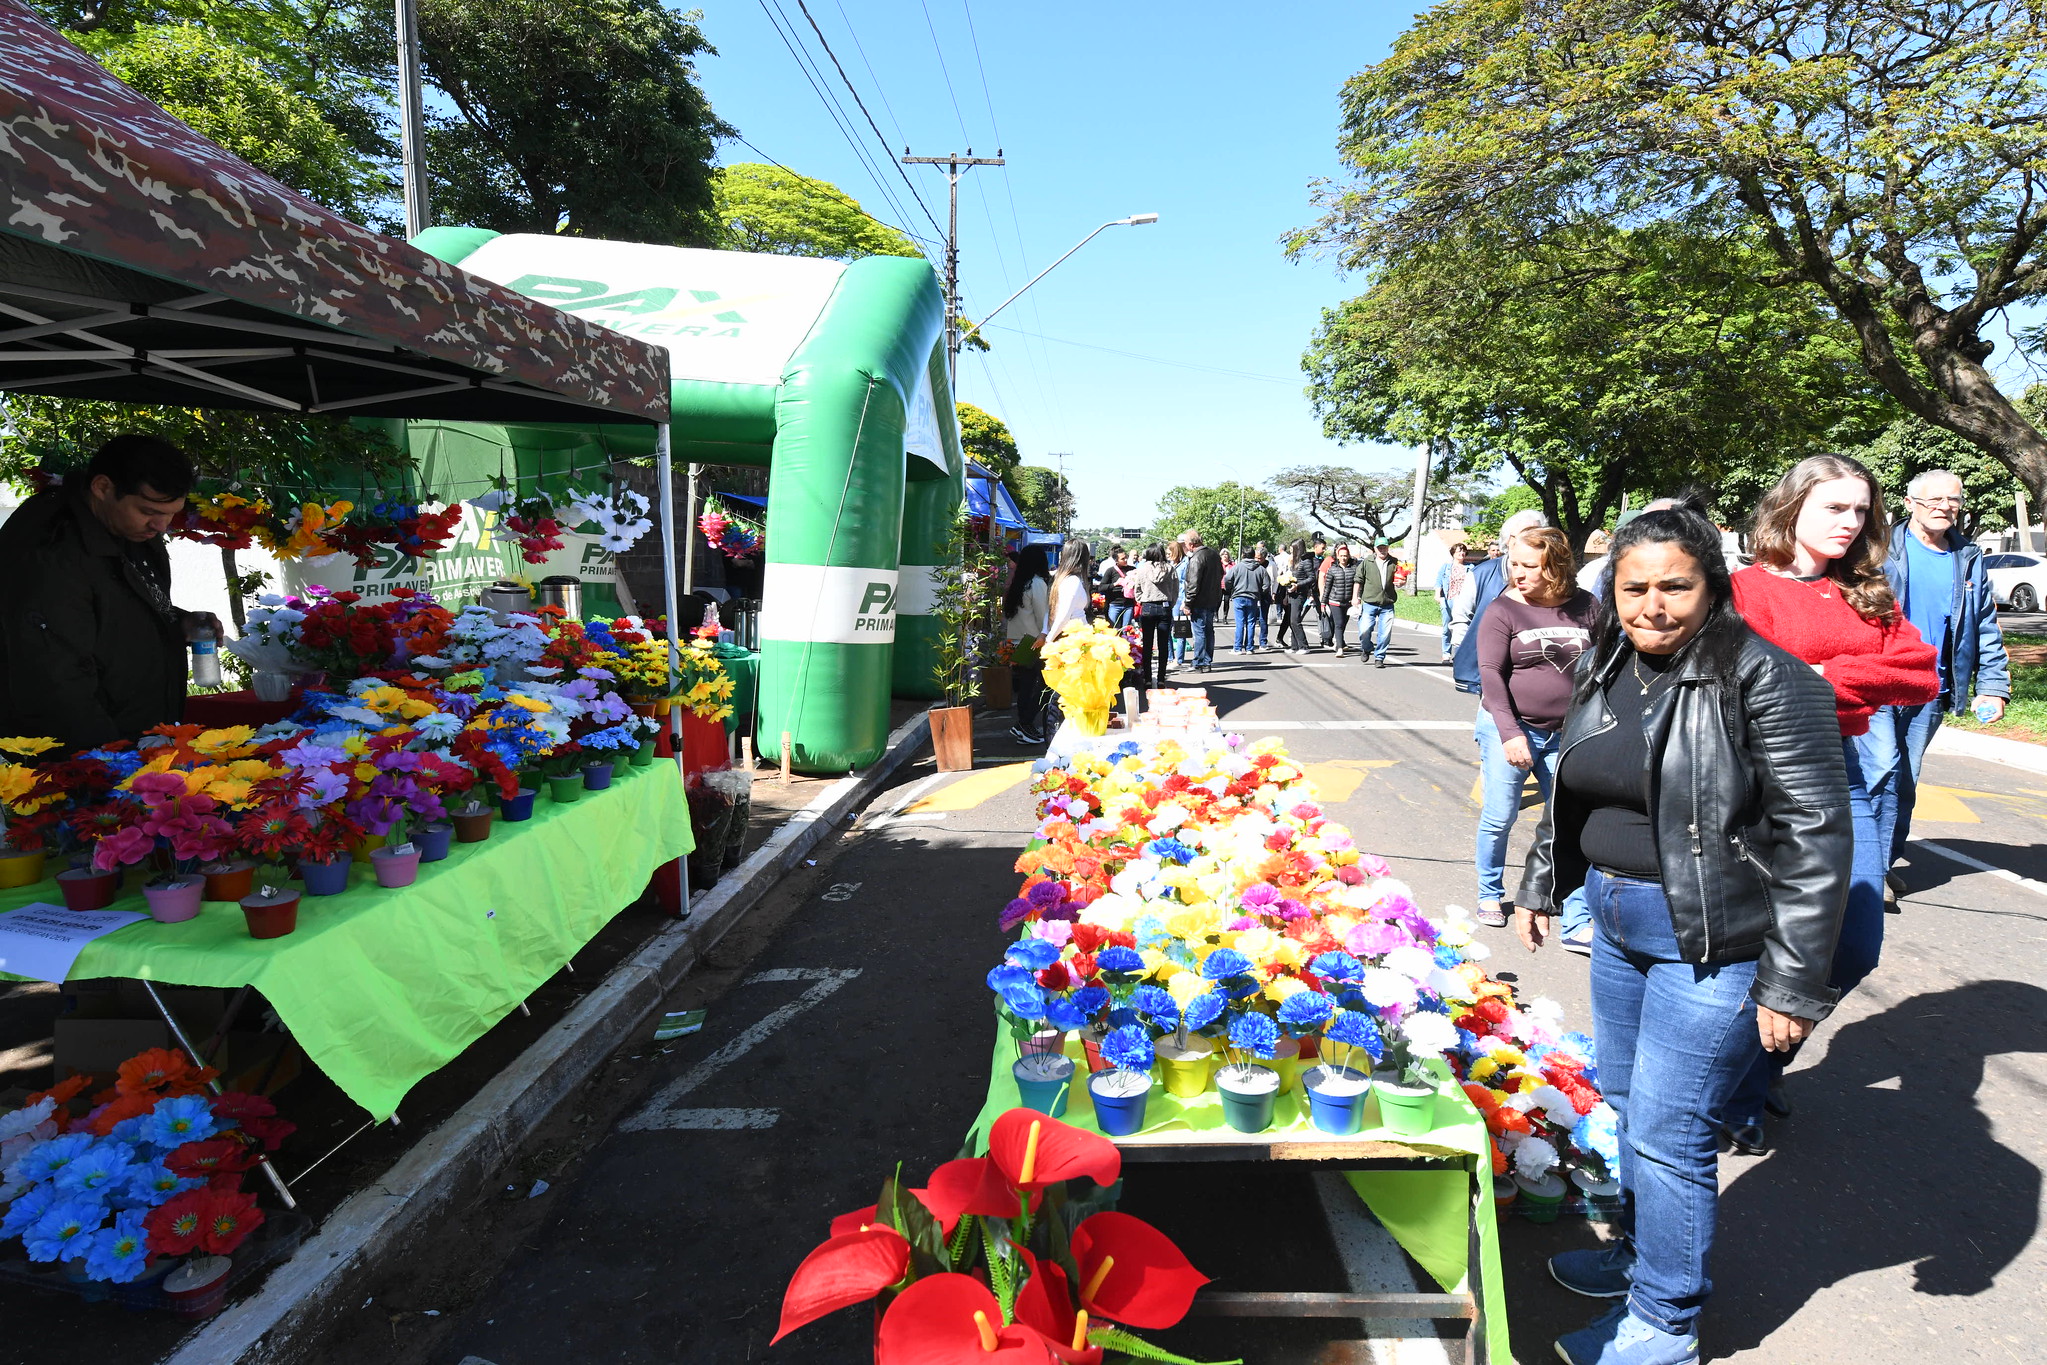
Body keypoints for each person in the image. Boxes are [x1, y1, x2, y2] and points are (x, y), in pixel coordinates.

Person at [1514, 502, 1851, 1365]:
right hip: (1617, 921)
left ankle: (1664, 1321)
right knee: (1625, 1103)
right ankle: (1638, 1253)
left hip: (1715, 938)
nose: (1652, 605)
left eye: (1674, 586)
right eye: (1634, 588)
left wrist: (1793, 982)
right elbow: (1574, 783)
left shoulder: (1768, 679)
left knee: (1669, 1128)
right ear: (1611, 590)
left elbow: (1816, 838)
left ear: (1711, 586)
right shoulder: (1607, 659)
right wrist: (1542, 879)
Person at [1723, 453, 1938, 1148]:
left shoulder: (1865, 590)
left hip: (1842, 773)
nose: (1850, 522)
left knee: (1853, 942)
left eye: (1859, 510)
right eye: (1834, 508)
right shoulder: (1742, 590)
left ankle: (1763, 1057)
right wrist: (1839, 678)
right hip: (1752, 779)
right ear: (1790, 509)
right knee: (1759, 940)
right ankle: (1737, 1089)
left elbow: (1916, 671)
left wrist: (1817, 674)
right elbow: (1736, 681)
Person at [0, 435, 221, 749]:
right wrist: (112, 763)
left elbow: (121, 607)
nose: (161, 526)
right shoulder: (50, 551)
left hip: (137, 735)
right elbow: (54, 680)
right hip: (86, 755)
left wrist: (176, 621)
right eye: (148, 511)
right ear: (102, 488)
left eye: (171, 513)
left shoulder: (123, 525)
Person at [1862, 469, 2009, 893]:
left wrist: (1993, 686)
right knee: (1880, 768)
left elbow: (1983, 625)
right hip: (1879, 681)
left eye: (1954, 500)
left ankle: (1881, 864)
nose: (1945, 507)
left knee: (1904, 780)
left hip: (1930, 688)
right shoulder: (1878, 549)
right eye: (1934, 500)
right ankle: (1864, 872)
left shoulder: (1967, 557)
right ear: (1909, 505)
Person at [1474, 528, 1599, 936]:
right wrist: (1511, 734)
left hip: (1571, 732)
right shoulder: (1503, 609)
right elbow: (1491, 675)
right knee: (1500, 816)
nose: (1518, 573)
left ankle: (1575, 914)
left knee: (1569, 821)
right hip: (1509, 726)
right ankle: (1489, 892)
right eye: (1514, 564)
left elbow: (1604, 662)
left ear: (1556, 567)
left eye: (1530, 566)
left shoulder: (1586, 606)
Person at [1453, 508, 1550, 693]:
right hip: (1490, 674)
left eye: (1537, 535)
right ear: (1508, 540)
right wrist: (1466, 653)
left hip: (1535, 675)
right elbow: (1461, 617)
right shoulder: (1482, 574)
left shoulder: (1552, 578)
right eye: (1524, 535)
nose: (1531, 541)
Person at [1001, 545, 1053, 745]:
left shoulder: (1020, 583)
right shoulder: (1037, 583)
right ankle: (1024, 723)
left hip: (1018, 642)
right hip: (1034, 641)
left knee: (1026, 686)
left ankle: (1024, 724)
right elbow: (1043, 617)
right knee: (1045, 686)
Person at [1125, 544, 1176, 691]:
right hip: (1164, 607)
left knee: (1147, 645)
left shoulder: (1142, 569)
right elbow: (1175, 589)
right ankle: (1161, 679)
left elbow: (1137, 589)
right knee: (1163, 645)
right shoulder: (1170, 569)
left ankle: (1147, 679)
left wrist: (1142, 600)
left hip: (1147, 607)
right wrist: (1170, 603)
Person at [1180, 530, 1224, 672]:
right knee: (1209, 631)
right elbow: (1220, 575)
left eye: (1186, 544)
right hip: (1213, 599)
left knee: (1199, 632)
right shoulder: (1213, 554)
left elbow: (1193, 583)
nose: (1186, 547)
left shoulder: (1197, 558)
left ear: (1191, 544)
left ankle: (1198, 662)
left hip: (1199, 601)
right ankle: (1206, 661)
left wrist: (1188, 603)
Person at [1357, 537, 1400, 667]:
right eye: (1379, 547)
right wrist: (1355, 597)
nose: (1382, 550)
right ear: (1375, 549)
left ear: (1388, 548)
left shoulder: (1394, 562)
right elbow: (1358, 580)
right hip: (1369, 603)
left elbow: (1401, 578)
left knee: (1385, 633)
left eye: (1384, 547)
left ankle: (1379, 657)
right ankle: (1366, 647)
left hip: (1387, 604)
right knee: (1364, 630)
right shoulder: (1367, 562)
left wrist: (1402, 582)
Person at [1223, 551, 1270, 656]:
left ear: (1243, 555)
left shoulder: (1237, 567)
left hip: (1239, 596)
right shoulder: (1261, 569)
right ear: (1253, 556)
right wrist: (1259, 592)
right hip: (1253, 598)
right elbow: (1267, 584)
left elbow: (1227, 579)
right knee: (1251, 623)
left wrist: (1230, 589)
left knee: (1240, 623)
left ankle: (1238, 648)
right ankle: (1249, 647)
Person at [1046, 540, 1094, 641]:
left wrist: (1046, 634)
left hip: (1070, 635)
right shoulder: (1073, 581)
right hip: (1074, 637)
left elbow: (1052, 610)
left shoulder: (1063, 578)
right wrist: (1049, 639)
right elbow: (1064, 615)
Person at [1319, 543, 1360, 654]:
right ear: (1337, 556)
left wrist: (1357, 597)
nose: (1344, 558)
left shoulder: (1354, 569)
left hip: (1348, 602)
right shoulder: (1332, 569)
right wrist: (1323, 602)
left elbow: (1358, 584)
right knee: (1338, 623)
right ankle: (1340, 648)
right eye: (1341, 555)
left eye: (1345, 555)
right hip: (1334, 601)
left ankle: (1339, 642)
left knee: (1343, 624)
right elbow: (1327, 587)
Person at [1435, 542, 1471, 658]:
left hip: (1464, 602)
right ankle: (1446, 653)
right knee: (1447, 628)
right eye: (1459, 551)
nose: (1462, 553)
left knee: (1461, 628)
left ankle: (1458, 654)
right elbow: (1439, 582)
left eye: (1463, 551)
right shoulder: (1446, 567)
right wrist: (1438, 595)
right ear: (1453, 553)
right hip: (1448, 600)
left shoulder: (1471, 568)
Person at [1164, 539, 1190, 667]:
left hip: (1179, 599)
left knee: (1179, 629)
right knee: (1166, 628)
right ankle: (1170, 656)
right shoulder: (1170, 564)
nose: (1168, 556)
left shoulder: (1186, 563)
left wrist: (1185, 601)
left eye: (1170, 553)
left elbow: (1187, 583)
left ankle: (1178, 659)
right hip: (1169, 598)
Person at [1098, 545, 1133, 629]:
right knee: (1113, 630)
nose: (1125, 560)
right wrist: (1115, 584)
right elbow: (1101, 587)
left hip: (1129, 605)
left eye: (1126, 557)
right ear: (1116, 560)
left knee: (1126, 630)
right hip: (1114, 604)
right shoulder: (1110, 571)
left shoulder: (1132, 569)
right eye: (1122, 559)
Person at [1252, 550, 1275, 652]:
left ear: (1265, 557)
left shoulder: (1271, 565)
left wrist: (1274, 593)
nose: (1257, 560)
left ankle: (1263, 642)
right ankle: (1249, 642)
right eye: (1256, 558)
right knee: (1251, 619)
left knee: (1263, 618)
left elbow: (1275, 579)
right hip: (1253, 594)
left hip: (1266, 594)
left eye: (1260, 558)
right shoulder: (1252, 565)